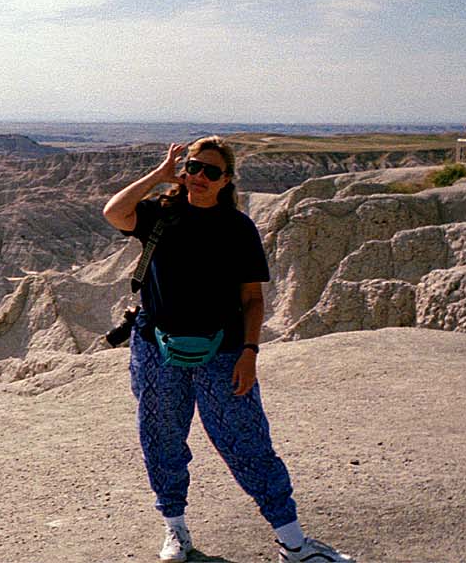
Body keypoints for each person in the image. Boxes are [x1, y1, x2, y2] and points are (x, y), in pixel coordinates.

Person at [101, 137, 353, 563]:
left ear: (226, 180)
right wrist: (160, 176)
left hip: (224, 352)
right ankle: (175, 530)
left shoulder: (238, 228)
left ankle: (293, 543)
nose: (199, 177)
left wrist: (251, 352)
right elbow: (114, 213)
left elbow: (252, 298)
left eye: (211, 172)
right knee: (161, 439)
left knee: (247, 443)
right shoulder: (160, 215)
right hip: (157, 347)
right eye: (194, 167)